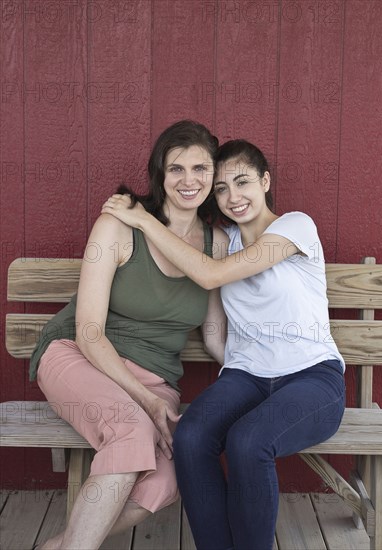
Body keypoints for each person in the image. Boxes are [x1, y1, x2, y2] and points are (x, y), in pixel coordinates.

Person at [102, 139, 346, 550]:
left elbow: (212, 276)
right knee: (192, 438)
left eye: (243, 182)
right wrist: (237, 364)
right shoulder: (223, 241)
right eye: (221, 188)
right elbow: (215, 329)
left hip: (311, 378)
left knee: (249, 441)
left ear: (265, 181)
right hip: (246, 376)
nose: (233, 197)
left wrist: (144, 221)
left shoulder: (294, 226)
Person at [30, 120, 228, 550]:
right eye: (176, 169)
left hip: (156, 379)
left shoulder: (218, 244)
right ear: (159, 173)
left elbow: (214, 336)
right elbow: (89, 332)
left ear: (214, 175)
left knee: (172, 476)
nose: (189, 180)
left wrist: (264, 379)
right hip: (80, 357)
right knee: (131, 432)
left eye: (200, 168)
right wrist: (147, 402)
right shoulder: (119, 225)